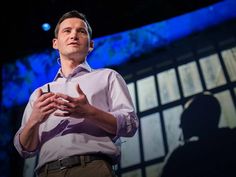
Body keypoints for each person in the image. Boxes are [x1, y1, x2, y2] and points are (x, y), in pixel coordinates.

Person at [14, 10, 138, 177]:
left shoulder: (108, 76)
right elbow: (25, 149)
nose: (74, 35)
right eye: (67, 31)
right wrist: (34, 119)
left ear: (91, 45)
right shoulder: (39, 93)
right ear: (55, 43)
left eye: (81, 31)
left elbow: (130, 124)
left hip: (93, 168)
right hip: (47, 172)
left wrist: (89, 112)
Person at [160, 92, 236, 177]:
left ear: (199, 118)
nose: (180, 125)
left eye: (185, 118)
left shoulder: (182, 157)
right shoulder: (231, 140)